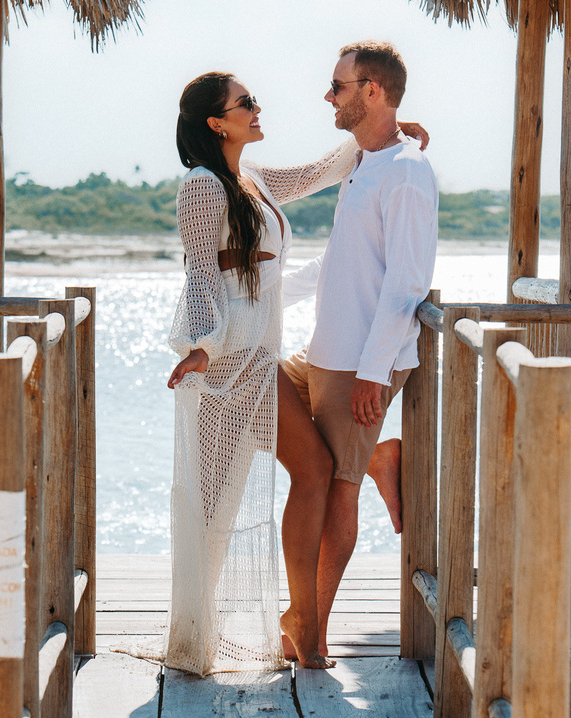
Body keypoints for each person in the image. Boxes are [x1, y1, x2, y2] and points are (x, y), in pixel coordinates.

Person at [162, 72, 427, 675]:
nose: (258, 108)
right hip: (227, 365)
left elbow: (315, 173)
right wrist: (201, 345)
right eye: (245, 103)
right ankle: (208, 638)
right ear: (216, 123)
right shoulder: (203, 187)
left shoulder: (251, 180)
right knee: (213, 504)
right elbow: (201, 277)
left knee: (304, 476)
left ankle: (299, 628)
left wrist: (383, 138)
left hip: (261, 359)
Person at [280, 41, 440, 659]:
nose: (329, 96)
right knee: (244, 389)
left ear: (372, 91)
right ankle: (379, 459)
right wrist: (259, 302)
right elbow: (337, 264)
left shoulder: (407, 172)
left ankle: (312, 631)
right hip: (323, 351)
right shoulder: (362, 162)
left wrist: (375, 372)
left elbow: (406, 282)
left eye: (339, 86)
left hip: (358, 365)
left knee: (336, 488)